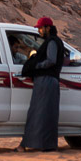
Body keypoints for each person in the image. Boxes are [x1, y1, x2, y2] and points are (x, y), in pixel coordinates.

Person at [17, 17, 66, 151]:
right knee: (44, 113)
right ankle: (45, 145)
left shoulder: (52, 42)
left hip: (46, 80)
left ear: (47, 28)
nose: (39, 31)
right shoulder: (53, 41)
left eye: (40, 28)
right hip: (48, 80)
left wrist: (36, 65)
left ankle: (28, 145)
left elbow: (51, 60)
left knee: (38, 113)